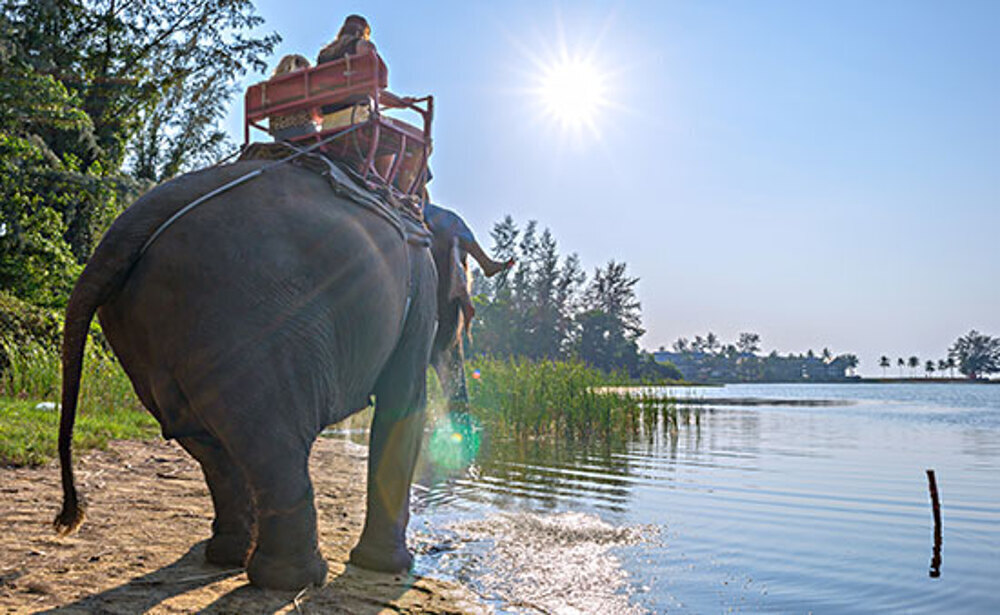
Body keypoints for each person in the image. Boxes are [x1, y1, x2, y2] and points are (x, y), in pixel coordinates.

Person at [422, 187, 514, 278]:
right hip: (417, 205)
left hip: (420, 205)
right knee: (453, 221)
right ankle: (485, 262)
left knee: (450, 220)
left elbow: (424, 193)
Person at [267, 54, 318, 141]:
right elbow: (314, 113)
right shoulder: (302, 81)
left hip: (279, 134)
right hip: (302, 129)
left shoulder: (270, 87)